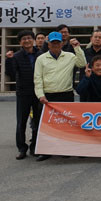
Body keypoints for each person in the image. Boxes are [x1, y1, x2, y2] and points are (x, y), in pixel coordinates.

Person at [33, 32, 86, 161]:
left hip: (66, 94)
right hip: (47, 96)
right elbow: (37, 79)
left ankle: (64, 149)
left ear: (62, 43)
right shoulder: (41, 59)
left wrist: (77, 48)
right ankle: (45, 151)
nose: (55, 45)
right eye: (53, 43)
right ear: (48, 44)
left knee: (66, 124)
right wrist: (40, 95)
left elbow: (82, 63)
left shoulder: (70, 56)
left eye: (58, 42)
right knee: (46, 125)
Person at [5, 30, 41, 160]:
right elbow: (11, 73)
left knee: (37, 121)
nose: (27, 41)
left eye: (29, 38)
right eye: (24, 39)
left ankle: (35, 147)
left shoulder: (41, 54)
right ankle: (21, 148)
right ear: (20, 42)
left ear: (33, 40)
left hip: (38, 92)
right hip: (23, 93)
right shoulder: (16, 56)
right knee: (21, 121)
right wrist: (9, 60)